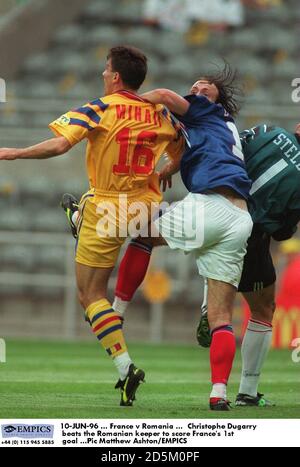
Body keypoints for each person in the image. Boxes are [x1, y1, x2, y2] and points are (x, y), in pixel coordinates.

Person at [0, 45, 184, 407]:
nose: (102, 74)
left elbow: (58, 146)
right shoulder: (162, 113)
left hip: (107, 209)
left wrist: (13, 152)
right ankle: (80, 217)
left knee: (90, 296)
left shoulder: (101, 107)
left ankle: (124, 366)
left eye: (105, 69)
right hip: (145, 206)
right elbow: (183, 150)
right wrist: (165, 171)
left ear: (115, 76)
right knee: (124, 229)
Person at [68, 65, 252, 411]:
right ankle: (218, 393)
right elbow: (200, 152)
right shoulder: (222, 127)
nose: (197, 88)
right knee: (221, 318)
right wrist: (169, 167)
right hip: (239, 218)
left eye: (206, 87)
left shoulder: (205, 109)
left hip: (208, 206)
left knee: (137, 229)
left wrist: (131, 103)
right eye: (195, 84)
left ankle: (117, 309)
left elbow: (166, 97)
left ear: (217, 98)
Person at [198, 123, 300, 407]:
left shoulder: (269, 130)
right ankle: (247, 391)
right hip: (252, 233)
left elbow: (233, 147)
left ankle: (209, 295)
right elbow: (283, 232)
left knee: (155, 234)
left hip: (217, 207)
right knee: (263, 308)